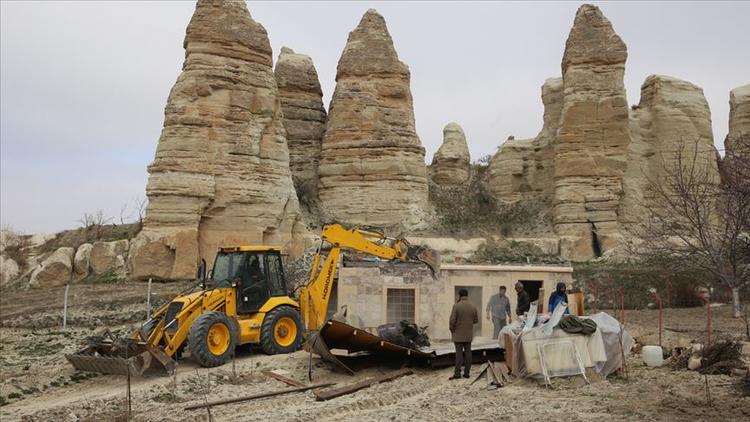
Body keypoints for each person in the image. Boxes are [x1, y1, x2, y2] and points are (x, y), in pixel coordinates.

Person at [449, 288, 478, 380]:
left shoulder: (456, 306)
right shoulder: (473, 306)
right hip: (468, 334)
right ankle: (467, 373)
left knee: (459, 354)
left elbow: (452, 321)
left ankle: (457, 373)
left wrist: (452, 330)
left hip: (458, 334)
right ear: (467, 295)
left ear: (460, 295)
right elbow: (476, 320)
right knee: (468, 353)